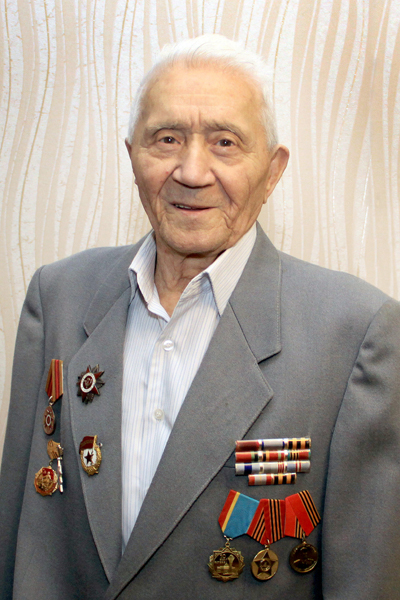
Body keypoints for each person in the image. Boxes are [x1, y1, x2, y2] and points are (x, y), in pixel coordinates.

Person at [0, 34, 400, 600]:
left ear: (273, 170)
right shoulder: (58, 298)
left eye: (225, 142)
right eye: (166, 139)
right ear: (132, 155)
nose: (191, 171)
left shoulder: (358, 334)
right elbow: (21, 530)